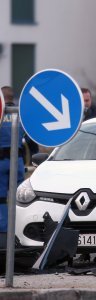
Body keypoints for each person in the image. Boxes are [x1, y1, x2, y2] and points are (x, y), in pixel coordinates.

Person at [0, 86, 38, 238]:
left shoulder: (1, 114)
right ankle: (18, 228)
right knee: (19, 197)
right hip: (18, 162)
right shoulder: (21, 115)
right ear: (12, 97)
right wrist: (36, 159)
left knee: (1, 198)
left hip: (1, 162)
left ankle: (3, 231)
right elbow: (31, 141)